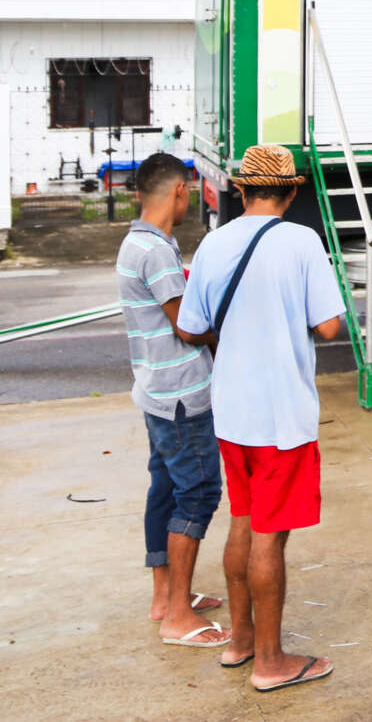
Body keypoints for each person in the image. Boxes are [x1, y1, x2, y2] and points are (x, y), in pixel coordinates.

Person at [172, 146, 345, 694]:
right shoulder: (301, 241)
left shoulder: (213, 243)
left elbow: (192, 325)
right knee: (271, 537)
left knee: (243, 523)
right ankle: (270, 662)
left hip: (232, 411)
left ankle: (240, 641)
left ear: (242, 190)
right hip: (283, 416)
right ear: (292, 193)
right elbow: (330, 328)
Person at [116, 152, 227, 650]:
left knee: (165, 487)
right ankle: (178, 615)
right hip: (182, 395)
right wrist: (224, 332)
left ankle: (165, 596)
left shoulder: (136, 241)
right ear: (180, 191)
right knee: (198, 493)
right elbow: (187, 325)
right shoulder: (157, 252)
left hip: (156, 390)